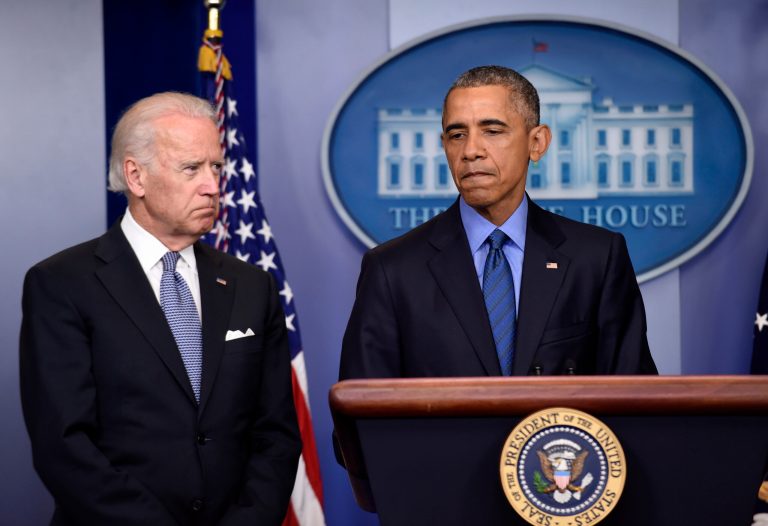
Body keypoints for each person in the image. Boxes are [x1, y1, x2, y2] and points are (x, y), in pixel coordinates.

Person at [20, 92, 301, 526]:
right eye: (192, 168)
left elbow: (276, 435)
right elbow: (65, 445)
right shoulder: (62, 284)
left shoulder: (252, 286)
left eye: (216, 168)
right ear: (136, 176)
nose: (212, 185)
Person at [340, 65, 657, 379]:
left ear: (537, 143)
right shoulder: (392, 271)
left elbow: (636, 408)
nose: (471, 151)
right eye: (457, 134)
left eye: (492, 131)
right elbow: (360, 418)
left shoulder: (597, 259)